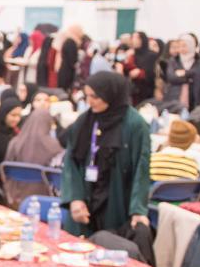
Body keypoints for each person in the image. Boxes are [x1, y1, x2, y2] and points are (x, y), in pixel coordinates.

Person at [61, 72, 151, 236]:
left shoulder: (135, 124)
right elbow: (71, 161)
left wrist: (138, 209)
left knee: (110, 243)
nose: (90, 102)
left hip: (117, 198)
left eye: (95, 97)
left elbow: (141, 167)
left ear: (111, 94)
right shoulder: (85, 121)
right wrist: (75, 198)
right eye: (87, 96)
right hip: (86, 198)